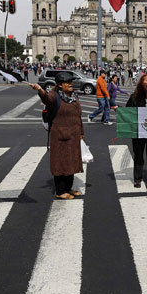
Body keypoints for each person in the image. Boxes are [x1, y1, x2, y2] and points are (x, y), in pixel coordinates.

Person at [28, 71, 84, 199]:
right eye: (68, 82)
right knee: (60, 163)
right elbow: (47, 99)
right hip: (60, 136)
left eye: (71, 82)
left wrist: (81, 132)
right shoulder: (54, 95)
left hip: (73, 136)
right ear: (60, 85)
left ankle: (68, 188)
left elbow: (78, 116)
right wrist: (41, 90)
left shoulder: (74, 96)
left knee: (71, 162)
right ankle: (60, 191)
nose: (71, 84)